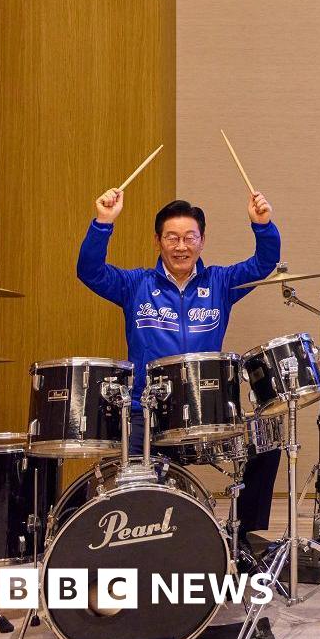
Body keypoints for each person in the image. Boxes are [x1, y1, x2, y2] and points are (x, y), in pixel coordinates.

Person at [77, 187, 281, 549]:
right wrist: (103, 223)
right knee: (127, 481)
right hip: (146, 411)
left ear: (202, 241)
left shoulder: (221, 282)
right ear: (158, 241)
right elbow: (89, 271)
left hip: (207, 411)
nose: (181, 245)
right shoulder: (134, 284)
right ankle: (140, 548)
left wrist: (262, 225)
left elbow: (264, 263)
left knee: (265, 445)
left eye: (190, 237)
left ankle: (241, 538)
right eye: (172, 237)